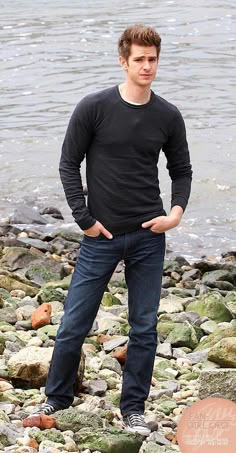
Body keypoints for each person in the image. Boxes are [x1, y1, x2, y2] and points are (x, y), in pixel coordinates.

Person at [28, 24, 192, 436]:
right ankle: (57, 397)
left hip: (149, 237)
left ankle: (133, 408)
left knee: (144, 327)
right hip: (99, 236)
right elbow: (69, 164)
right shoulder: (94, 107)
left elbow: (182, 170)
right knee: (73, 324)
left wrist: (174, 215)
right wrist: (84, 219)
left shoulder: (168, 115)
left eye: (153, 59)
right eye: (139, 59)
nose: (147, 66)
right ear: (124, 61)